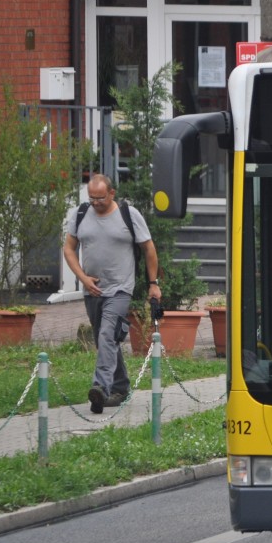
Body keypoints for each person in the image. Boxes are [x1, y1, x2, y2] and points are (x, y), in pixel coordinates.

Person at [63, 174, 160, 413]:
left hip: (120, 289)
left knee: (107, 335)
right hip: (92, 291)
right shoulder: (81, 214)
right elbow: (69, 248)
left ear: (112, 193)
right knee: (105, 340)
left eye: (100, 198)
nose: (95, 203)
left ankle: (101, 388)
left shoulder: (129, 215)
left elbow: (148, 249)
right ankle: (121, 387)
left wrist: (153, 283)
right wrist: (82, 278)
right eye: (92, 198)